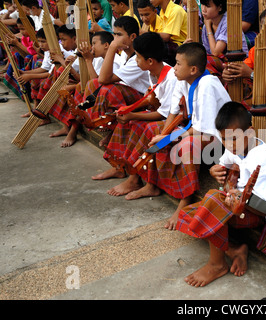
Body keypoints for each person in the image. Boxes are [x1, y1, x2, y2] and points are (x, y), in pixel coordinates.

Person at [176, 101, 266, 287]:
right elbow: (223, 163)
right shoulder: (236, 147)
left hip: (255, 212)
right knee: (186, 216)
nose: (228, 144)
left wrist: (240, 197)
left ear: (250, 132)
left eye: (232, 139)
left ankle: (217, 265)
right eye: (223, 139)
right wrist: (213, 171)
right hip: (235, 205)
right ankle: (234, 249)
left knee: (212, 200)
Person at [125, 42, 231, 231]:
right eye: (175, 63)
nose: (174, 68)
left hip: (219, 138)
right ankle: (151, 183)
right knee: (153, 130)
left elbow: (202, 129)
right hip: (197, 129)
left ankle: (186, 198)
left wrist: (168, 139)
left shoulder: (207, 85)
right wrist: (163, 135)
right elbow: (173, 112)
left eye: (178, 64)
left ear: (193, 69)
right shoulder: (183, 79)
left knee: (187, 144)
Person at [97, 31, 178, 193]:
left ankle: (136, 179)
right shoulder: (152, 72)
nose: (136, 61)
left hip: (175, 122)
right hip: (162, 114)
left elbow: (164, 114)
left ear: (149, 61)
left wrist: (133, 115)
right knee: (128, 123)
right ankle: (120, 167)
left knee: (143, 127)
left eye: (138, 58)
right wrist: (129, 114)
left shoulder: (171, 78)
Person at [80, 16, 150, 150]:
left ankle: (106, 124)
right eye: (114, 34)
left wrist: (112, 47)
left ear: (133, 37)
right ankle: (95, 121)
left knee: (107, 89)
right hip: (130, 95)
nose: (115, 38)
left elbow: (103, 79)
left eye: (119, 35)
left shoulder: (138, 59)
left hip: (144, 99)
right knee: (92, 84)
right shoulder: (125, 54)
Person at [222, 8, 266, 111]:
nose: (265, 32)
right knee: (236, 80)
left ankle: (241, 112)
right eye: (262, 28)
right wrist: (230, 73)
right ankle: (235, 110)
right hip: (258, 86)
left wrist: (251, 74)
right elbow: (243, 69)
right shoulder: (255, 49)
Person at [200, 0, 248, 79]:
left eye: (208, 6)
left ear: (220, 7)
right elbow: (207, 51)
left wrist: (208, 28)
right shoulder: (208, 23)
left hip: (237, 64)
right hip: (221, 63)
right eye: (202, 5)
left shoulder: (228, 22)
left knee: (206, 61)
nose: (203, 9)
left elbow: (216, 52)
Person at [150, 0, 188, 65]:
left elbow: (166, 37)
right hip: (171, 45)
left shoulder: (176, 10)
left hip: (182, 46)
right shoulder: (162, 12)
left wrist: (147, 34)